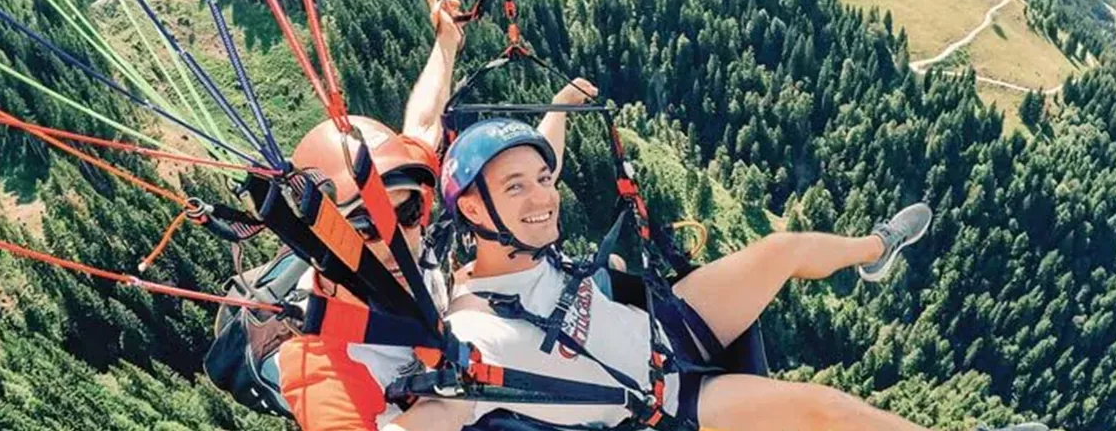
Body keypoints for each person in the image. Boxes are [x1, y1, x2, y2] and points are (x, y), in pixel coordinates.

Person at [382, 118, 1043, 431]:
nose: (544, 197)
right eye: (517, 187)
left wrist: (557, 104)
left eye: (544, 180)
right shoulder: (472, 335)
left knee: (780, 250)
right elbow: (428, 420)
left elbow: (542, 150)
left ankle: (875, 249)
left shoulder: (516, 233)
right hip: (661, 400)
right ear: (472, 206)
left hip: (657, 322)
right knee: (820, 408)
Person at [276, 0, 598, 431]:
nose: (398, 239)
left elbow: (424, 124)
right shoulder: (320, 367)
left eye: (407, 214)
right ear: (320, 239)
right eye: (365, 227)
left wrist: (446, 43)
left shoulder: (398, 182)